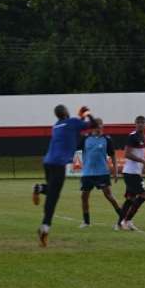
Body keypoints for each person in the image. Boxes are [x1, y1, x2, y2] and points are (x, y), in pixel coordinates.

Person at [32, 105, 95, 247]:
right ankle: (45, 228)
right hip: (58, 163)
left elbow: (75, 129)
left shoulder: (56, 125)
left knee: (51, 190)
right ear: (66, 112)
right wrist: (87, 113)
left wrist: (81, 118)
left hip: (48, 162)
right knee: (53, 198)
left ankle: (39, 188)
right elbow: (93, 124)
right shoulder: (72, 122)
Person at [79, 119, 122, 228]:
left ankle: (123, 218)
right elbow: (75, 148)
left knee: (109, 196)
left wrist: (116, 171)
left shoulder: (106, 139)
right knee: (84, 197)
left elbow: (113, 155)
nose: (99, 128)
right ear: (93, 127)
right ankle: (86, 222)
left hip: (102, 173)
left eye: (100, 126)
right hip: (87, 173)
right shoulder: (85, 138)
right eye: (97, 126)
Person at [119, 116, 145, 231]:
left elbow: (141, 153)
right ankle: (127, 220)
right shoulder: (132, 136)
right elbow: (127, 154)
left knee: (130, 198)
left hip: (135, 172)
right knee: (143, 195)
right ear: (135, 124)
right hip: (130, 172)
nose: (141, 124)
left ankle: (120, 223)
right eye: (138, 122)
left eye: (143, 122)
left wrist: (141, 167)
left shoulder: (144, 137)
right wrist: (142, 161)